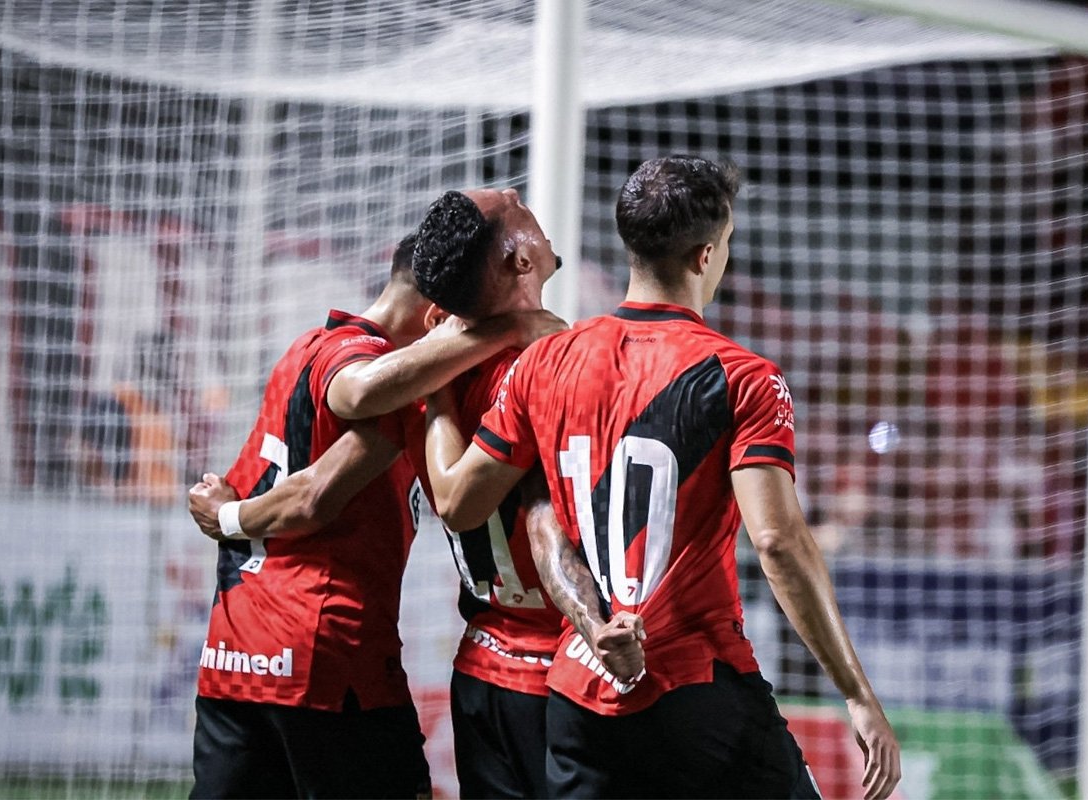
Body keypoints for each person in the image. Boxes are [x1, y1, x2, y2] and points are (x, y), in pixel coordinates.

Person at [424, 156, 902, 799]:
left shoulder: (545, 361)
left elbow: (467, 501)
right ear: (707, 256)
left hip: (579, 689)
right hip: (695, 690)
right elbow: (779, 542)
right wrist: (858, 694)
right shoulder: (743, 377)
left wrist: (433, 384)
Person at [186, 233, 559, 799]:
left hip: (234, 654)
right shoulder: (381, 374)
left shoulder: (307, 345)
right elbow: (316, 491)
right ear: (438, 318)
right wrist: (232, 517)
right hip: (323, 653)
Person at [406, 188, 643, 798]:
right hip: (567, 670)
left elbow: (349, 395)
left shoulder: (423, 370)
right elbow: (535, 516)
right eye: (511, 204)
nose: (518, 192)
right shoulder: (557, 367)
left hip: (482, 667)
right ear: (518, 261)